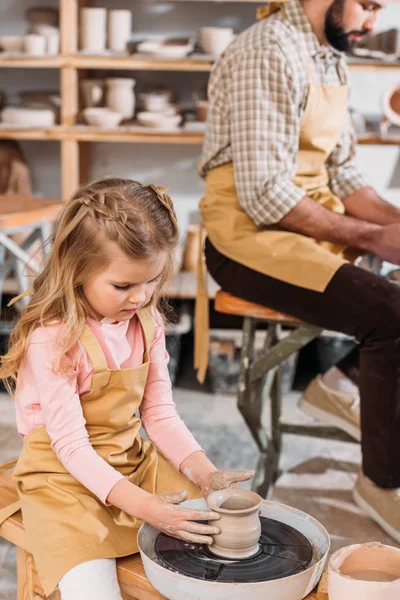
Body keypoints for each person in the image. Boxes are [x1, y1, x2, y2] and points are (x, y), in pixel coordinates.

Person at [196, 0, 400, 543]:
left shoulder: (327, 54)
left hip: (303, 224)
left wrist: (396, 224)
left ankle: (341, 383)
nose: (371, 23)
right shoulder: (267, 51)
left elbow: (347, 173)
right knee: (392, 316)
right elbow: (265, 195)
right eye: (367, 5)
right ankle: (382, 483)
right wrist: (377, 238)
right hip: (247, 240)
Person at [0, 177, 253, 600]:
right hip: (63, 477)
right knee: (94, 591)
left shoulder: (147, 322)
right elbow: (72, 447)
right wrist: (145, 507)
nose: (141, 297)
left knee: (217, 536)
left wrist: (205, 472)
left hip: (128, 458)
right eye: (124, 286)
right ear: (77, 268)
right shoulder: (54, 337)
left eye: (152, 280)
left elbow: (159, 414)